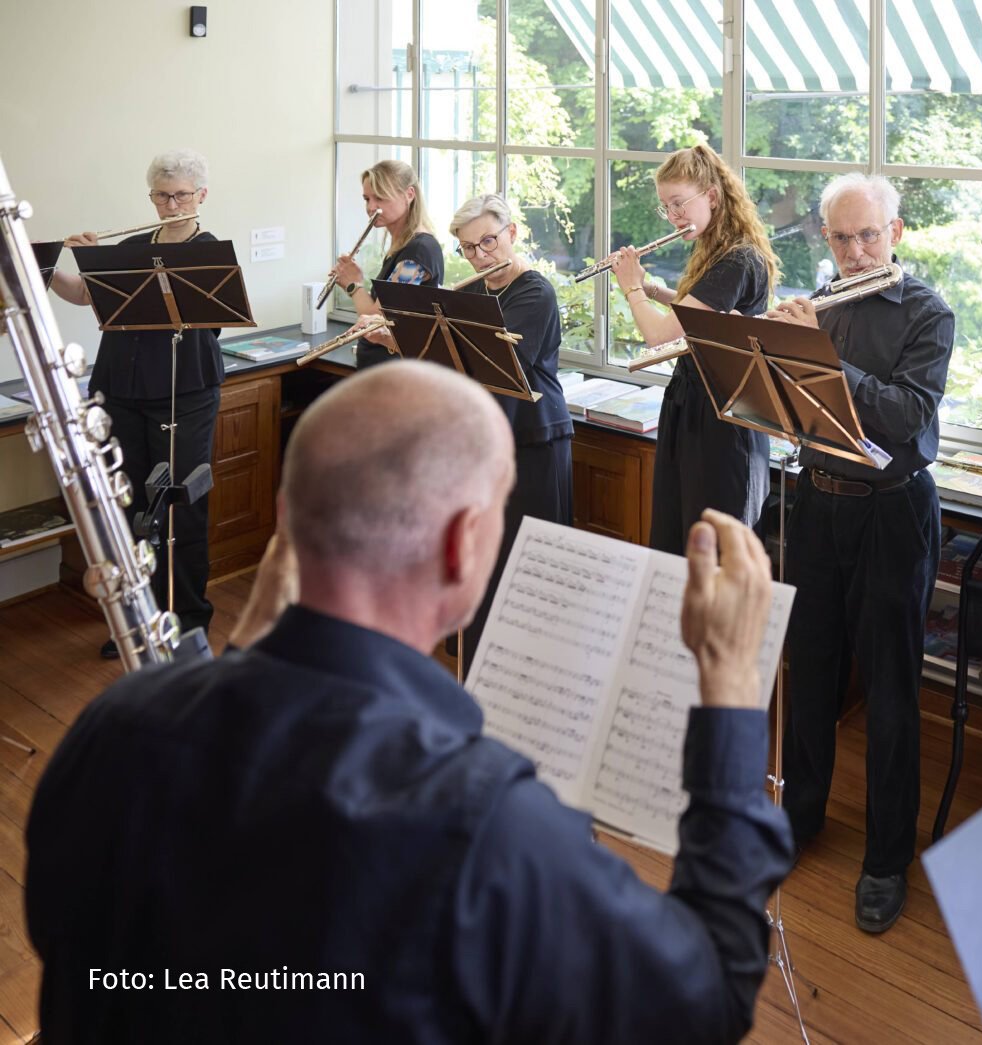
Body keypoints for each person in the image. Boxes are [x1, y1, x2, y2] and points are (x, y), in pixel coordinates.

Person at [24, 361, 793, 1045]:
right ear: (463, 543)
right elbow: (709, 992)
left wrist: (242, 657)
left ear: (286, 517)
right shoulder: (489, 830)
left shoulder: (113, 726)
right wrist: (729, 683)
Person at [766, 174, 953, 933]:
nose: (854, 252)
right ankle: (798, 819)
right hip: (817, 501)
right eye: (841, 238)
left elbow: (906, 415)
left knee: (889, 690)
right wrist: (777, 360)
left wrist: (817, 353)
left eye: (868, 235)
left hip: (891, 510)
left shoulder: (927, 312)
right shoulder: (823, 300)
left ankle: (885, 859)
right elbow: (792, 405)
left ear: (895, 232)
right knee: (809, 671)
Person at [49, 149, 225, 657]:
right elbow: (84, 295)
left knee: (180, 506)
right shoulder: (131, 246)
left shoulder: (208, 251)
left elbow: (213, 317)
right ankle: (135, 618)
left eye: (181, 196)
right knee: (129, 506)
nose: (171, 206)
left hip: (184, 390)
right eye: (161, 196)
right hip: (121, 388)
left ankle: (186, 618)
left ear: (201, 196)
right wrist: (52, 266)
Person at [607, 143, 779, 554]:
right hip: (693, 407)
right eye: (666, 206)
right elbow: (700, 314)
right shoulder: (715, 250)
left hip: (724, 418)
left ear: (713, 196)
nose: (673, 216)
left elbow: (662, 337)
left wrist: (631, 288)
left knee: (713, 552)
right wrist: (652, 288)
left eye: (679, 203)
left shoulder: (738, 260)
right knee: (677, 541)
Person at [448, 193, 574, 656]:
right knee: (485, 564)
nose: (480, 256)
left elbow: (503, 361)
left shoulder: (535, 292)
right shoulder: (472, 293)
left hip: (536, 438)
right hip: (489, 441)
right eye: (469, 248)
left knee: (530, 569)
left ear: (512, 234)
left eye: (488, 242)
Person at [328, 159, 444, 367]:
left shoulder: (418, 252)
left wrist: (353, 285)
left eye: (380, 198)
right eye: (367, 199)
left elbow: (375, 320)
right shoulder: (402, 246)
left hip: (397, 372)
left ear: (409, 194)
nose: (371, 207)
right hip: (379, 367)